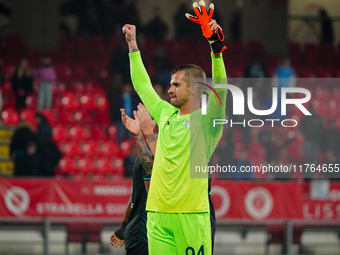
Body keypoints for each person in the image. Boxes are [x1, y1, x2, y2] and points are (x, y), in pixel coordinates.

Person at [122, 1, 227, 254]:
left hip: (191, 216)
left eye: (176, 85)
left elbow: (221, 88)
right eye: (170, 84)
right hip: (158, 215)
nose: (169, 89)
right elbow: (143, 86)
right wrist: (132, 46)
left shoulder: (208, 120)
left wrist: (216, 50)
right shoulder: (166, 113)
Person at [110, 104, 157, 255]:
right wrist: (124, 226)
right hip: (144, 236)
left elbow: (134, 197)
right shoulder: (149, 156)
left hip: (137, 234)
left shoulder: (145, 154)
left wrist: (124, 225)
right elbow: (151, 195)